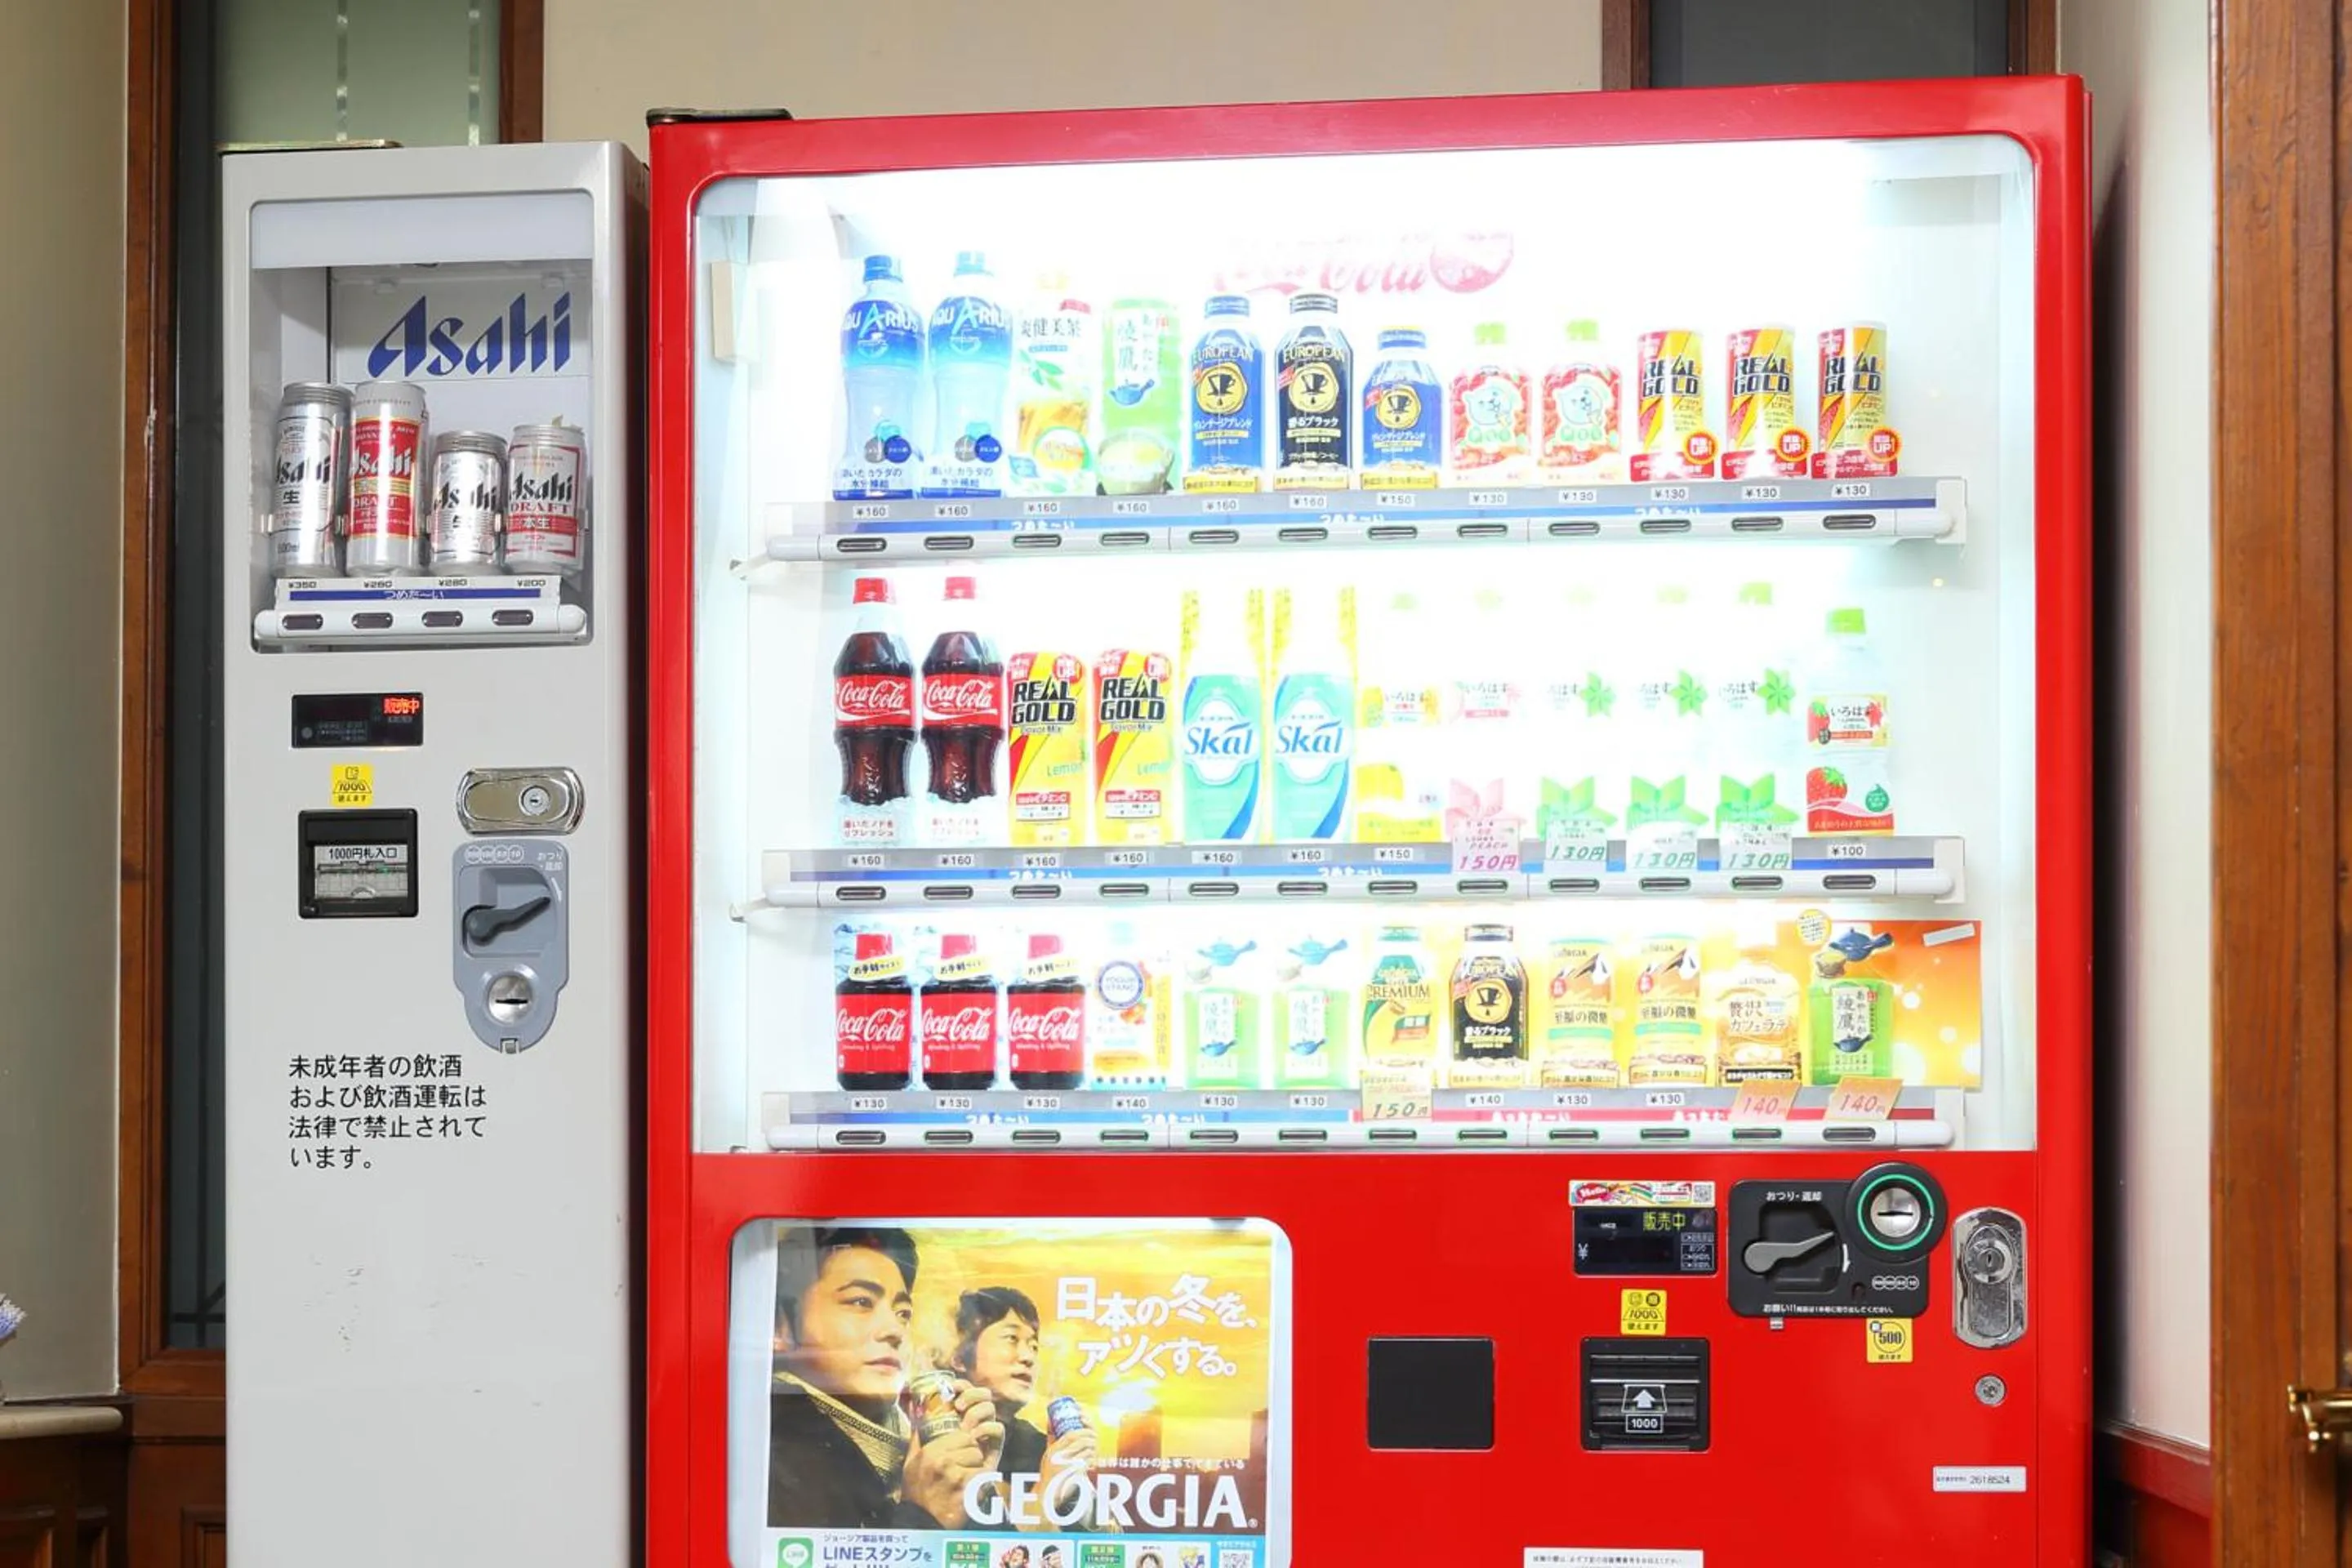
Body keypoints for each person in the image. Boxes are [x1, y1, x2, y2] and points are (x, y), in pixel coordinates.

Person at [768, 1226, 1002, 1529]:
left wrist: (974, 1493)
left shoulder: (911, 1443)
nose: (895, 1330)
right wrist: (923, 1516)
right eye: (861, 1302)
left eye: (903, 1313)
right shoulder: (767, 1450)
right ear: (781, 1325)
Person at [950, 1287, 1101, 1526]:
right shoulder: (932, 1438)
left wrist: (1076, 1486)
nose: (1028, 1357)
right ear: (958, 1355)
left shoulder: (1040, 1446)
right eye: (1011, 1338)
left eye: (1034, 1346)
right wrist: (1045, 1495)